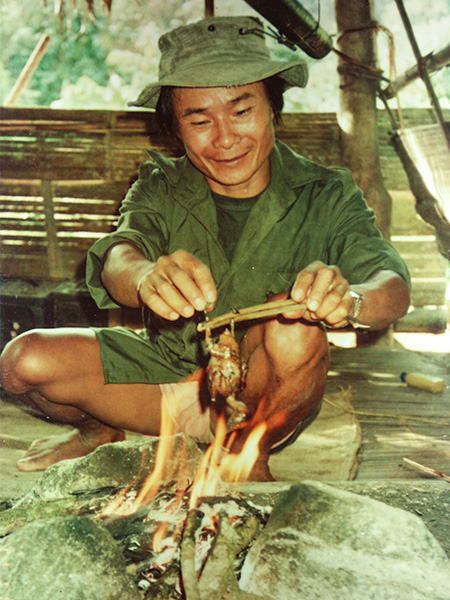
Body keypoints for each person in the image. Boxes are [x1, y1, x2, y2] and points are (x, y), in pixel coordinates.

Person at [0, 16, 410, 480]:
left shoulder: (326, 192)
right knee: (21, 362)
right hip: (164, 373)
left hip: (261, 396)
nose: (225, 138)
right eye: (199, 120)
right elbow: (121, 254)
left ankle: (243, 452)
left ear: (273, 108)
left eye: (241, 111)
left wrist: (350, 299)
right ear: (176, 128)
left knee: (291, 323)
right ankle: (101, 430)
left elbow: (391, 284)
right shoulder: (161, 183)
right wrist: (143, 277)